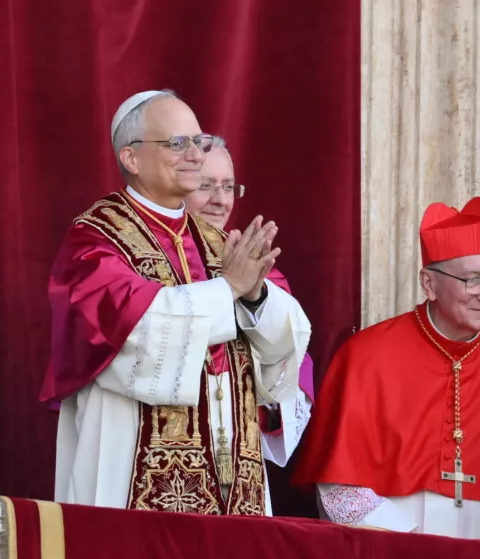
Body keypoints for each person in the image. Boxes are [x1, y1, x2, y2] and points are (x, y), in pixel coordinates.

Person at [40, 90, 312, 517]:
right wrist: (228, 291)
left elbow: (286, 345)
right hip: (131, 459)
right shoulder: (96, 237)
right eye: (177, 143)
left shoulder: (220, 242)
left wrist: (256, 295)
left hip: (230, 467)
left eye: (198, 142)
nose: (194, 155)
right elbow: (130, 330)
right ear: (131, 159)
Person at [291, 197, 480, 540]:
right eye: (473, 280)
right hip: (390, 544)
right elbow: (340, 491)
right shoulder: (366, 357)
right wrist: (411, 545)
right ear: (429, 284)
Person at [185, 137, 315, 448]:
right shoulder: (147, 259)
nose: (220, 200)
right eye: (205, 186)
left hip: (235, 437)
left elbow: (290, 362)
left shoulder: (260, 268)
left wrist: (255, 298)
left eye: (228, 187)